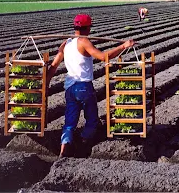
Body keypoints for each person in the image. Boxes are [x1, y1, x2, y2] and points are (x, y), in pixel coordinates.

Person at [46, 14, 135, 158]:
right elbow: (103, 57)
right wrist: (123, 46)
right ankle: (83, 146)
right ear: (87, 28)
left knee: (69, 122)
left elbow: (54, 65)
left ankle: (64, 150)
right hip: (83, 87)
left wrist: (47, 84)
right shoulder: (84, 42)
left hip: (69, 88)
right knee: (92, 119)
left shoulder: (66, 43)